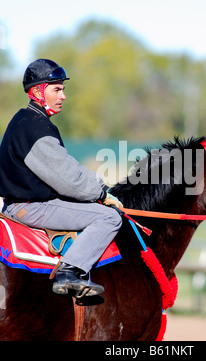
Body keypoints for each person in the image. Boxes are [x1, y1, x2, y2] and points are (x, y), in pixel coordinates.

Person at [0, 58, 123, 298]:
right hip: (32, 208)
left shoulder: (26, 121)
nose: (63, 95)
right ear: (37, 91)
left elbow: (67, 172)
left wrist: (98, 188)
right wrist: (102, 194)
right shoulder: (34, 127)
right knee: (109, 218)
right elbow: (68, 180)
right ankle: (69, 272)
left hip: (24, 204)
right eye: (57, 89)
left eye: (63, 89)